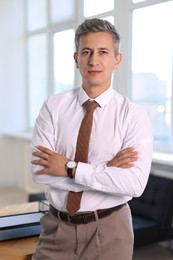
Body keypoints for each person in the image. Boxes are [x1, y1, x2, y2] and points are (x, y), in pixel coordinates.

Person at [31, 18, 153, 260]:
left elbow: (134, 185)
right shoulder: (54, 107)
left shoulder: (133, 115)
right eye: (86, 52)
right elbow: (40, 172)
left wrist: (69, 168)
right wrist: (107, 171)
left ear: (116, 60)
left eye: (103, 52)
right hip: (56, 228)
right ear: (76, 58)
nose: (93, 60)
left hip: (109, 230)